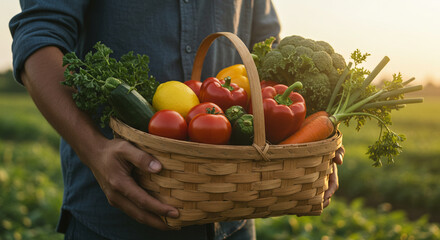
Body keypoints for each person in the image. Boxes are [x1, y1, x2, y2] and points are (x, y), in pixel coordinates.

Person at [9, 1, 344, 239]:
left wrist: (314, 140)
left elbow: (266, 49)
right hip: (114, 220)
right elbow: (39, 37)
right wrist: (94, 149)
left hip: (233, 221)